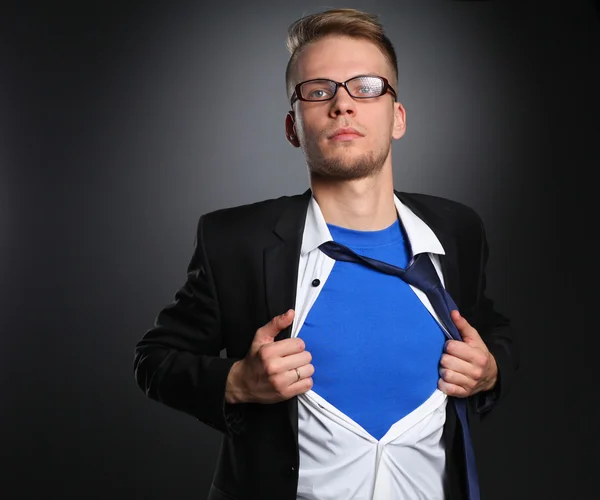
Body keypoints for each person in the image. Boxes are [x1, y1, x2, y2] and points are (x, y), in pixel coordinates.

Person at [133, 8, 518, 500]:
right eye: (318, 91)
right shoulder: (235, 241)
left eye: (367, 86)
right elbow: (154, 360)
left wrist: (492, 369)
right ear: (294, 126)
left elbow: (493, 328)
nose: (343, 104)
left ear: (397, 117)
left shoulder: (457, 229)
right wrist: (236, 381)